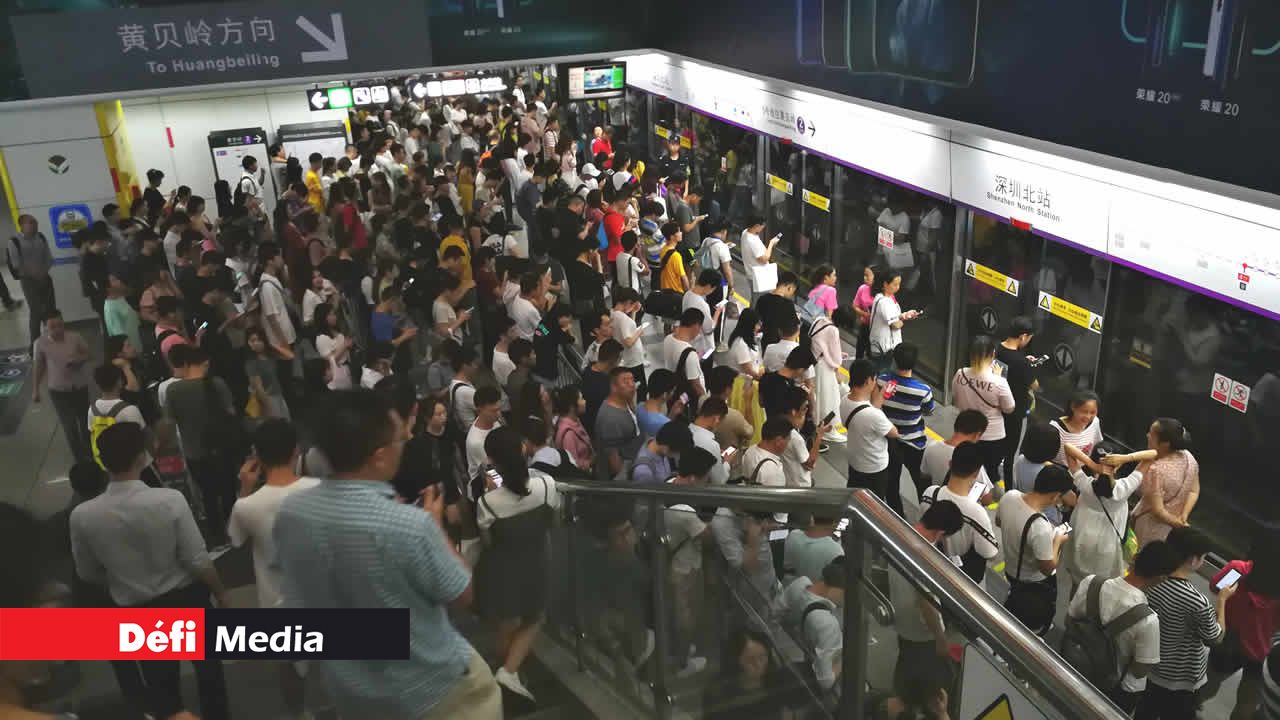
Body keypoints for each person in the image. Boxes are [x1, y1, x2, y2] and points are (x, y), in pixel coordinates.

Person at [274, 390, 500, 719]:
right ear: (379, 456)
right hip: (431, 686)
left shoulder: (293, 512)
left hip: (352, 690)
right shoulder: (410, 525)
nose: (406, 440)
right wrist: (434, 525)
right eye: (399, 438)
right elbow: (462, 593)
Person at [70, 422, 230, 720]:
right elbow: (197, 559)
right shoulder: (169, 500)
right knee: (210, 673)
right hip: (187, 599)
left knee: (162, 686)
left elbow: (87, 572)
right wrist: (221, 593)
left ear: (103, 461)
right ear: (143, 457)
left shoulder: (83, 516)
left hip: (136, 607)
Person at [226, 419, 317, 716]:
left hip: (276, 599)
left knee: (289, 670)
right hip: (323, 592)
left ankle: (299, 714)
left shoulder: (247, 506)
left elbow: (235, 540)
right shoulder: (319, 489)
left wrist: (244, 488)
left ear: (258, 457)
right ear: (296, 451)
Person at [475, 426, 561, 703]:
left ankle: (508, 674)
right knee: (535, 617)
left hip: (502, 571)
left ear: (493, 461)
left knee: (505, 624)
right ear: (524, 449)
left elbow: (488, 542)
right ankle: (510, 673)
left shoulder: (487, 503)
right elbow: (554, 521)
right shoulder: (546, 485)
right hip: (537, 563)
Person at [1066, 541, 1179, 711]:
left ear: (1135, 558)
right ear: (1162, 578)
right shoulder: (1148, 620)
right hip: (1113, 691)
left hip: (1073, 666)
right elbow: (1140, 670)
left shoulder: (1091, 583)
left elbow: (1070, 620)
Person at [1139, 527, 1233, 720]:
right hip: (1177, 678)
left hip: (1146, 665)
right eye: (1203, 556)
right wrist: (1222, 601)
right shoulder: (1196, 601)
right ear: (1193, 559)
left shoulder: (1150, 579)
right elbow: (1216, 637)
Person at [887, 501, 966, 706]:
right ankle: (914, 705)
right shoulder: (925, 558)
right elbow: (927, 604)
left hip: (900, 616)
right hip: (921, 630)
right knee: (930, 676)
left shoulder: (900, 532)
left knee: (906, 659)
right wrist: (940, 638)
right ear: (941, 532)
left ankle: (900, 696)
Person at [996, 463, 1076, 636]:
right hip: (1033, 583)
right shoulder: (1040, 527)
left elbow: (998, 522)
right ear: (1055, 496)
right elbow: (1048, 568)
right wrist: (1058, 541)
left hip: (1011, 570)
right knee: (1034, 616)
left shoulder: (1010, 496)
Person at [664, 447, 719, 677]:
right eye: (706, 478)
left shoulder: (666, 484)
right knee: (686, 615)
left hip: (668, 561)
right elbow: (707, 539)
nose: (707, 483)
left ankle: (680, 651)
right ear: (694, 478)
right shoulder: (685, 511)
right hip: (684, 568)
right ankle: (683, 662)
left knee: (678, 613)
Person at [918, 443, 999, 584]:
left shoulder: (930, 493)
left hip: (934, 566)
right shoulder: (976, 512)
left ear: (950, 464)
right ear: (976, 473)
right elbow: (990, 552)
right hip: (963, 578)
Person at [1061, 461, 1144, 593]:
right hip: (1108, 545)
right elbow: (1150, 457)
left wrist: (1096, 466)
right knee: (1099, 587)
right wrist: (1124, 458)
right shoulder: (1123, 489)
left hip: (1082, 540)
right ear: (1117, 468)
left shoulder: (1085, 484)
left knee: (1077, 584)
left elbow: (1069, 449)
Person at [951, 335, 1015, 484]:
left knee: (966, 469)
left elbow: (955, 398)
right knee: (989, 472)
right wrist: (999, 378)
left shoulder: (960, 374)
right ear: (993, 354)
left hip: (965, 432)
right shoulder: (999, 382)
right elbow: (1009, 408)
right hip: (992, 436)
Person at [33, 309, 94, 464]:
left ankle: (90, 451)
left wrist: (79, 359)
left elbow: (88, 354)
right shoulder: (40, 344)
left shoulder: (75, 337)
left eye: (60, 325)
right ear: (45, 327)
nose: (58, 330)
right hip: (58, 391)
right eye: (53, 327)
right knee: (70, 426)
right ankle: (80, 459)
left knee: (85, 421)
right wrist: (35, 389)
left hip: (79, 387)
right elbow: (39, 367)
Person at [703, 628, 804, 720]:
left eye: (762, 657)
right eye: (750, 660)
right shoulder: (718, 693)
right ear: (735, 662)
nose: (758, 664)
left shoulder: (779, 681)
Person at [780, 557, 848, 691]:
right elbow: (825, 681)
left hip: (796, 656)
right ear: (839, 589)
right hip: (812, 679)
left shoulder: (799, 584)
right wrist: (847, 656)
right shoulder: (828, 624)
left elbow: (776, 612)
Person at [1132, 418, 1199, 546]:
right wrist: (1183, 517)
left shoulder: (1155, 470)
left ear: (1165, 443)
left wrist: (1178, 524)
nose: (1147, 435)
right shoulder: (1189, 458)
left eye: (1151, 433)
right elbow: (1193, 491)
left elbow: (1158, 510)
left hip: (1149, 526)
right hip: (1171, 528)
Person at [880, 342, 935, 497]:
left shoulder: (881, 381)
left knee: (891, 484)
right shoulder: (923, 391)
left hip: (889, 440)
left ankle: (896, 515)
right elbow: (929, 410)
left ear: (895, 360)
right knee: (922, 483)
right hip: (914, 443)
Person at [844, 358, 900, 505]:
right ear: (868, 380)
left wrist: (881, 396)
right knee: (874, 505)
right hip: (874, 469)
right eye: (874, 379)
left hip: (855, 463)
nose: (875, 383)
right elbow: (894, 432)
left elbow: (867, 415)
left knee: (855, 499)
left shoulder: (844, 400)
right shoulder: (874, 415)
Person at [995, 316, 1040, 481]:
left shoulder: (995, 349)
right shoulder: (1021, 363)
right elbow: (1035, 386)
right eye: (1028, 339)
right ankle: (1007, 484)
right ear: (1023, 336)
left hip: (995, 404)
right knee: (1010, 451)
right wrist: (1029, 367)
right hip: (1014, 411)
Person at [9, 214, 57, 348]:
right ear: (22, 225)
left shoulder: (41, 237)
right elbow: (16, 264)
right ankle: (35, 346)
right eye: (31, 223)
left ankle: (53, 340)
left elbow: (49, 257)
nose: (35, 225)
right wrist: (34, 274)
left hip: (45, 278)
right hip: (28, 282)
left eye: (35, 222)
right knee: (36, 312)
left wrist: (43, 272)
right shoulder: (14, 241)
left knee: (50, 310)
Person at [920, 409, 990, 489]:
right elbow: (986, 495)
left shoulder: (931, 447)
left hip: (937, 495)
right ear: (978, 434)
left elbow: (924, 474)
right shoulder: (971, 461)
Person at [868, 268, 920, 371]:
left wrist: (905, 315)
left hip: (886, 347)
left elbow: (895, 316)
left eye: (899, 284)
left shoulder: (888, 298)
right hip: (884, 349)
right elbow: (895, 324)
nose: (898, 287)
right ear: (885, 284)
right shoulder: (884, 302)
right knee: (882, 376)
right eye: (895, 284)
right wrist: (901, 322)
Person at [595, 367, 642, 482]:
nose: (631, 385)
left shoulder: (625, 400)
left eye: (632, 380)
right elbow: (615, 465)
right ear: (614, 387)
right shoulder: (610, 419)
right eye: (625, 381)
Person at [780, 385, 828, 488]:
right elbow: (810, 465)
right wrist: (819, 436)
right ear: (793, 412)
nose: (806, 413)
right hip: (800, 485)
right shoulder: (795, 438)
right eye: (804, 409)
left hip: (786, 480)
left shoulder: (777, 425)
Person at [663, 308, 707, 410]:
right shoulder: (690, 354)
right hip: (686, 398)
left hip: (672, 388)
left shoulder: (668, 338)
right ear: (696, 326)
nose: (699, 331)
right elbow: (696, 385)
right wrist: (705, 401)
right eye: (700, 327)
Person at [1051, 389, 1106, 470]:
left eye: (1093, 412)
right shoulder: (1055, 428)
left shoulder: (1095, 422)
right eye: (1084, 411)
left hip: (1084, 470)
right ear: (1073, 407)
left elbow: (1098, 445)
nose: (1088, 416)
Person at [244, 327, 290, 419]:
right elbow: (259, 388)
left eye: (259, 339)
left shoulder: (269, 356)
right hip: (269, 399)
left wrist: (271, 344)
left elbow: (289, 356)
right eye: (253, 340)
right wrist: (268, 408)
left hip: (279, 395)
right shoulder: (251, 363)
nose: (256, 343)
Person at [706, 366, 753, 452]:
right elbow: (750, 433)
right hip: (730, 462)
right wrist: (748, 402)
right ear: (728, 389)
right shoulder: (734, 416)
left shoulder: (701, 403)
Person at [611, 287, 647, 396]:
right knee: (642, 388)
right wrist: (640, 332)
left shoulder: (613, 313)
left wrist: (634, 312)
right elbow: (628, 342)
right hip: (633, 360)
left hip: (624, 358)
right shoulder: (622, 319)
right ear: (627, 302)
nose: (632, 308)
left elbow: (628, 328)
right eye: (632, 305)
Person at [683, 269, 724, 357]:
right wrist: (718, 312)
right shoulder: (702, 305)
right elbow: (709, 329)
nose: (712, 291)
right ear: (709, 286)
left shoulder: (687, 294)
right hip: (702, 348)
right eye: (713, 288)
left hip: (688, 341)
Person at [690, 396, 730, 485]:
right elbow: (719, 481)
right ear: (716, 419)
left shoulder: (685, 432)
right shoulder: (712, 445)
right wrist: (727, 462)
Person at [466, 386, 503, 481]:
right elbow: (491, 473)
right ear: (479, 410)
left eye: (499, 409)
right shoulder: (476, 442)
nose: (498, 414)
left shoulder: (494, 420)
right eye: (494, 411)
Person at [739, 217, 778, 300]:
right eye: (763, 225)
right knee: (759, 301)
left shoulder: (745, 232)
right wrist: (771, 243)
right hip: (758, 277)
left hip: (752, 273)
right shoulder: (752, 241)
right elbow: (764, 259)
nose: (763, 227)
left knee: (755, 299)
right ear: (756, 225)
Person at [637, 368, 677, 437]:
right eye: (673, 390)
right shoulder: (663, 423)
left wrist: (672, 414)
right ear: (664, 395)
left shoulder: (639, 407)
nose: (673, 393)